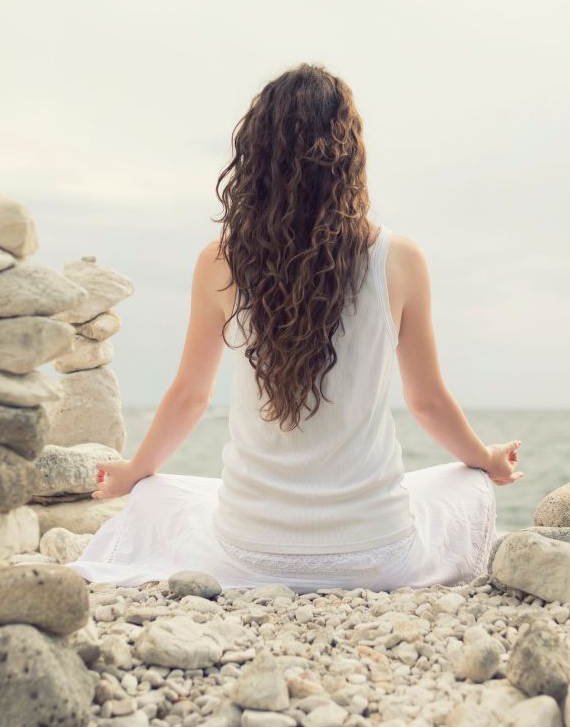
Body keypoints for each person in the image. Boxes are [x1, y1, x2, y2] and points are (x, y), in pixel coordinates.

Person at [67, 63, 522, 593]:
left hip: (249, 553)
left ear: (256, 159)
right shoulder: (400, 258)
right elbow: (426, 402)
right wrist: (486, 459)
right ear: (350, 156)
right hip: (377, 554)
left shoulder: (219, 261)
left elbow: (191, 396)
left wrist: (134, 470)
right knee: (465, 483)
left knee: (156, 494)